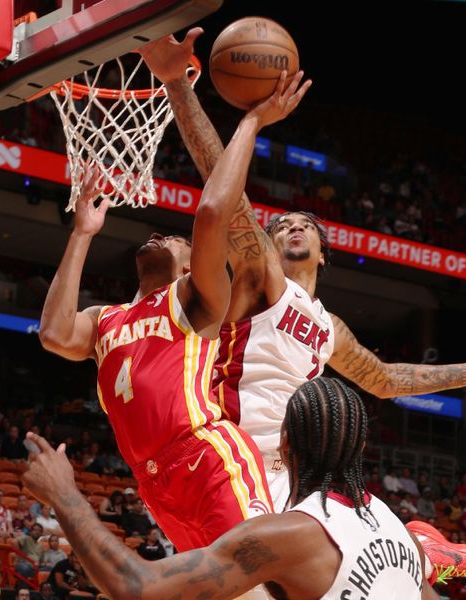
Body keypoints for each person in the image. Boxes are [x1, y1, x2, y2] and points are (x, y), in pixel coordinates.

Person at [139, 28, 466, 514]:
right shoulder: (260, 273)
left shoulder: (330, 329)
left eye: (303, 224)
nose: (291, 229)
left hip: (288, 474)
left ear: (324, 254)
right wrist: (178, 84)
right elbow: (219, 181)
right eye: (281, 225)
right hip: (227, 454)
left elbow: (387, 379)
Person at [36, 70, 310, 558]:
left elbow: (210, 216)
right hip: (153, 484)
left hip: (206, 457)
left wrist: (251, 122)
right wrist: (81, 234)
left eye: (174, 239)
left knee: (263, 582)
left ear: (191, 262)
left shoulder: (194, 299)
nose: (160, 238)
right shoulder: (107, 320)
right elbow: (54, 334)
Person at [21, 377, 466, 599]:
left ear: (285, 443)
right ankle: (429, 557)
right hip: (397, 547)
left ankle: (433, 557)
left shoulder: (288, 536)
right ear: (361, 446)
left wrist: (66, 495)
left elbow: (138, 586)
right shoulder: (386, 516)